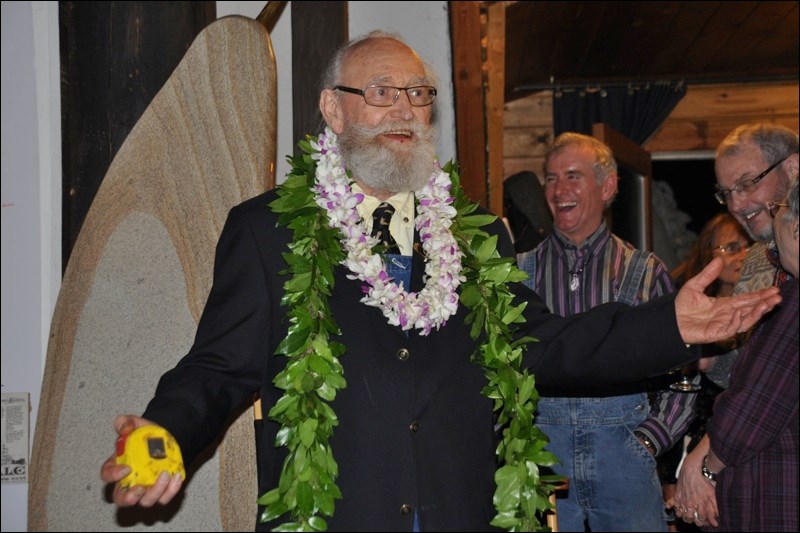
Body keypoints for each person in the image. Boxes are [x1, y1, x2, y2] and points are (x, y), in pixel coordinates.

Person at [99, 31, 780, 532]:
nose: (405, 110)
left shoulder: (474, 235)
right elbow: (217, 367)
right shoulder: (266, 233)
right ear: (332, 111)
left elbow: (543, 344)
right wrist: (163, 436)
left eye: (418, 95)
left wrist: (669, 325)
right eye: (381, 92)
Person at [517, 132, 692, 532]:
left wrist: (647, 441)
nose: (559, 190)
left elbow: (685, 374)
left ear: (608, 186)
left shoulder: (645, 272)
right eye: (550, 178)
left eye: (573, 176)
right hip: (544, 461)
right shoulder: (517, 272)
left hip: (625, 462)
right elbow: (497, 369)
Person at [670, 177, 799, 531]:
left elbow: (756, 404)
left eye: (780, 212)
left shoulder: (794, 300)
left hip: (777, 498)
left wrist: (705, 471)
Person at [657, 212, 751, 531]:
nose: (743, 254)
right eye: (732, 247)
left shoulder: (764, 312)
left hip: (736, 452)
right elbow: (674, 398)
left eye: (749, 245)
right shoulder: (689, 310)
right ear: (708, 255)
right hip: (692, 452)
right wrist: (669, 475)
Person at [703, 122, 798, 388]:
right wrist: (709, 359)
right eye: (726, 193)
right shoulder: (755, 261)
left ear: (792, 169)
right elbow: (751, 378)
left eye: (746, 184)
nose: (736, 205)